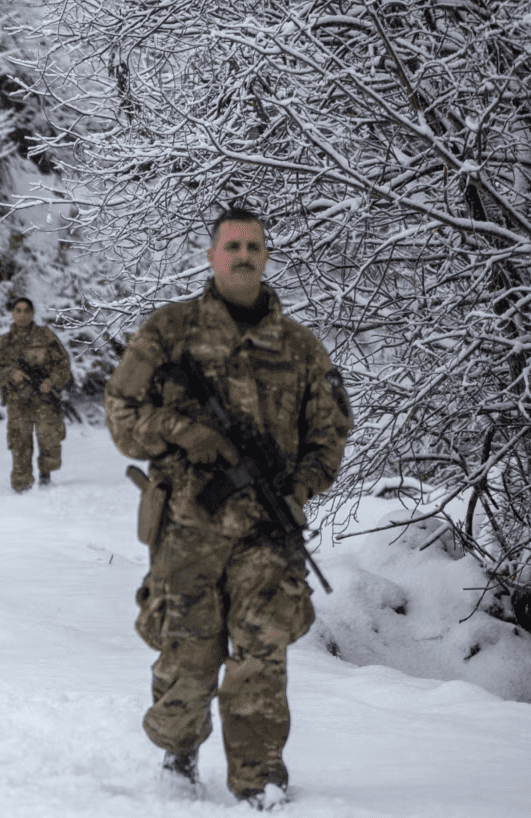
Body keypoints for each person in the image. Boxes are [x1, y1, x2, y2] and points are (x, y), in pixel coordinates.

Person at [104, 208, 352, 808]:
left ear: (267, 257)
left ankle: (258, 777)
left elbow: (331, 432)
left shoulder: (299, 347)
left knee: (262, 650)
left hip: (267, 531)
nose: (243, 255)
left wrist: (297, 490)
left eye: (254, 246)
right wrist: (183, 433)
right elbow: (121, 416)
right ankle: (179, 751)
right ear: (212, 255)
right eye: (232, 245)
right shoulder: (169, 331)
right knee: (190, 647)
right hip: (187, 526)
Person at [0, 297, 73, 492]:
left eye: (26, 311)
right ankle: (21, 486)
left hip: (45, 399)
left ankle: (46, 478)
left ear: (33, 313)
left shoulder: (46, 336)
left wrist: (51, 382)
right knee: (19, 443)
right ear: (12, 313)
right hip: (18, 400)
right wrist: (11, 374)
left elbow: (63, 364)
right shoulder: (5, 341)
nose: (22, 314)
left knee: (49, 440)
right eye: (18, 310)